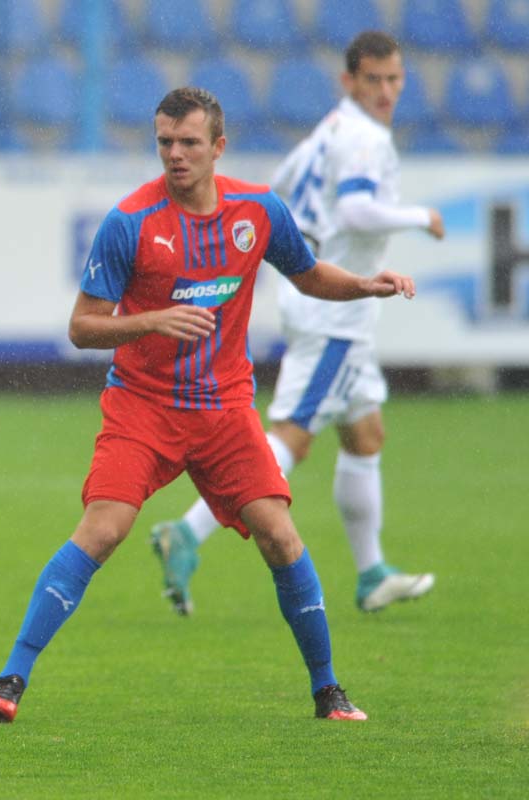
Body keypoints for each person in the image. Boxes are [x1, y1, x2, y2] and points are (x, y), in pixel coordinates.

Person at [0, 87, 417, 725]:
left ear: (218, 146)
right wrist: (152, 320)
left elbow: (308, 273)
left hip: (223, 410)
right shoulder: (130, 222)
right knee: (103, 530)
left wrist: (363, 286)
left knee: (280, 535)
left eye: (188, 142)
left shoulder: (258, 211)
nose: (175, 154)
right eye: (165, 142)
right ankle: (12, 678)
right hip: (143, 406)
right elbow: (81, 327)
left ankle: (329, 692)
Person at [149, 31, 443, 617]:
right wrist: (421, 215)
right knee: (293, 435)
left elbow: (278, 190)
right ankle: (186, 531)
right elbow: (355, 209)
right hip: (334, 310)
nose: (385, 91)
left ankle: (371, 572)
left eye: (394, 79)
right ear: (349, 81)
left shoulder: (329, 130)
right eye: (373, 80)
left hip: (324, 301)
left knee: (365, 434)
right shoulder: (362, 138)